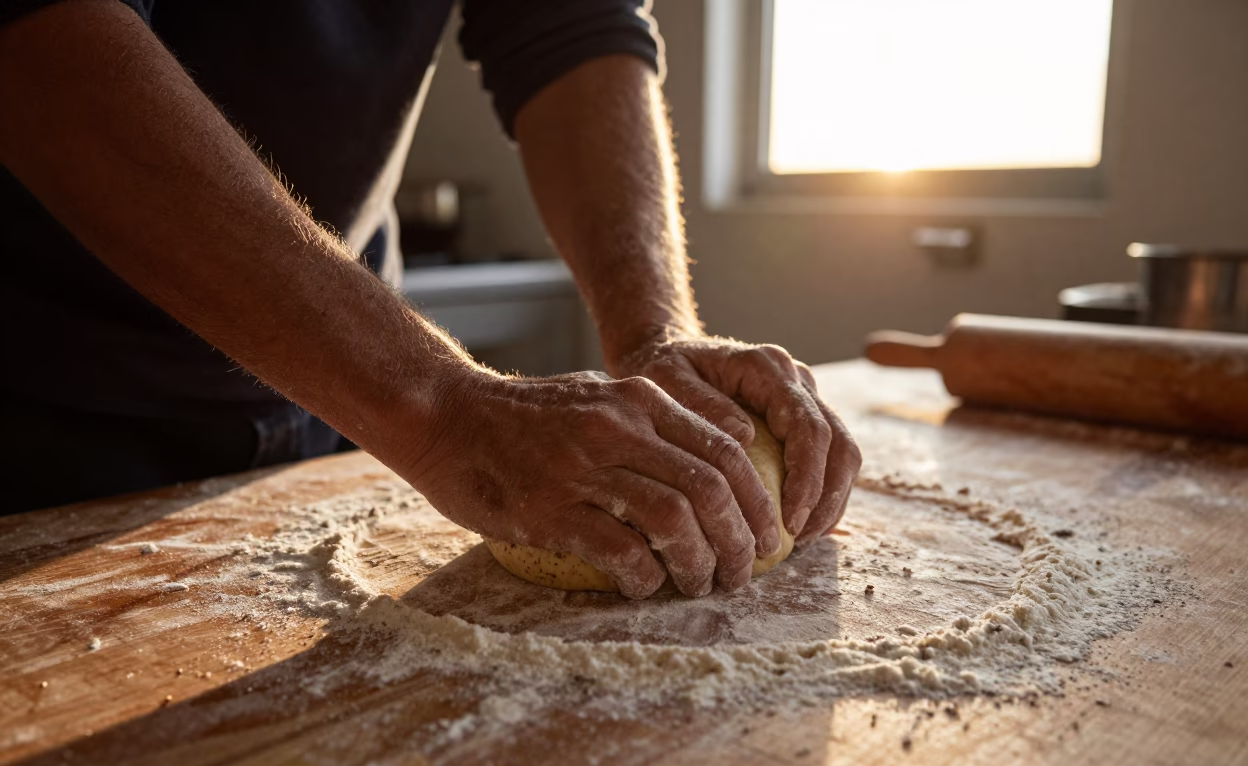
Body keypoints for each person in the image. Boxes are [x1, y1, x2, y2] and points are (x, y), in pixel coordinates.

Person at [0, 0, 861, 598]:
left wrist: (655, 332)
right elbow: (39, 45)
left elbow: (570, 31)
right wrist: (446, 411)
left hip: (332, 402)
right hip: (42, 404)